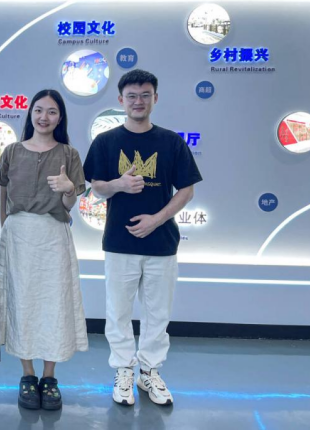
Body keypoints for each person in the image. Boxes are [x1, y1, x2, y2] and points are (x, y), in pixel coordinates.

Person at [83, 69, 202, 406]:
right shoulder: (106, 142)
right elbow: (96, 187)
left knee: (157, 313)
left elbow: (187, 190)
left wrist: (157, 220)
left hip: (161, 243)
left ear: (155, 98)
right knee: (118, 312)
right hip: (119, 242)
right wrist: (119, 184)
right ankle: (124, 370)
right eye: (132, 96)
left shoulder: (171, 142)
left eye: (145, 95)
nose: (138, 101)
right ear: (121, 100)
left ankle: (149, 372)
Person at [0, 89, 89, 411]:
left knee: (53, 304)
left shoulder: (69, 154)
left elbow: (69, 203)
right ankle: (27, 374)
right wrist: (5, 230)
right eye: (38, 110)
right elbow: (3, 196)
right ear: (30, 113)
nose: (43, 117)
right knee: (21, 303)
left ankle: (49, 377)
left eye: (51, 112)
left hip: (53, 235)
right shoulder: (12, 151)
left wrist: (68, 190)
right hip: (18, 235)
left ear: (60, 118)